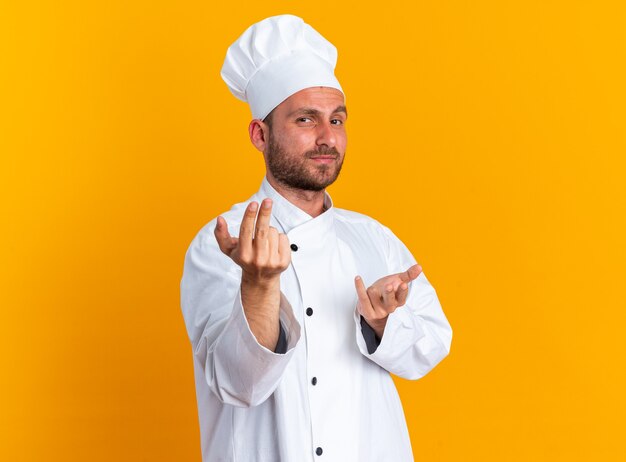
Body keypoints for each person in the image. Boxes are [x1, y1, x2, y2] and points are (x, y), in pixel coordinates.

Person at [180, 14, 452, 462]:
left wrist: (382, 323)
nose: (328, 138)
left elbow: (431, 349)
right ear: (260, 135)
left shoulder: (374, 240)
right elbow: (237, 384)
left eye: (337, 120)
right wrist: (259, 287)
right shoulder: (221, 245)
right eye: (306, 119)